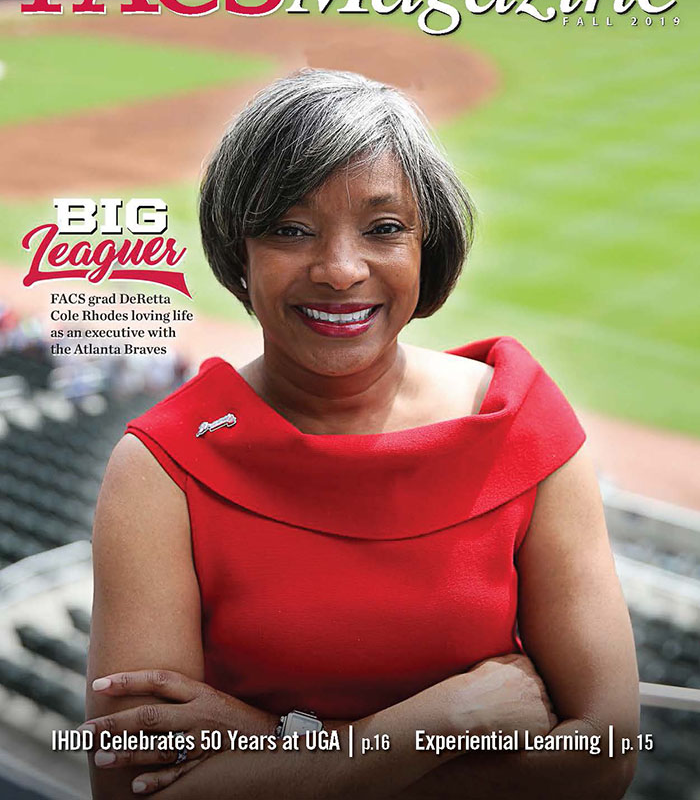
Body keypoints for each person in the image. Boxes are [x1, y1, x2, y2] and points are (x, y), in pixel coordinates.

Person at [84, 69, 639, 799]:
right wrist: (442, 720)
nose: (341, 270)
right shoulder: (161, 467)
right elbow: (134, 788)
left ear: (424, 245)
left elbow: (605, 756)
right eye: (290, 228)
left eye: (383, 228)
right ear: (238, 248)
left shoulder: (520, 426)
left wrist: (269, 745)